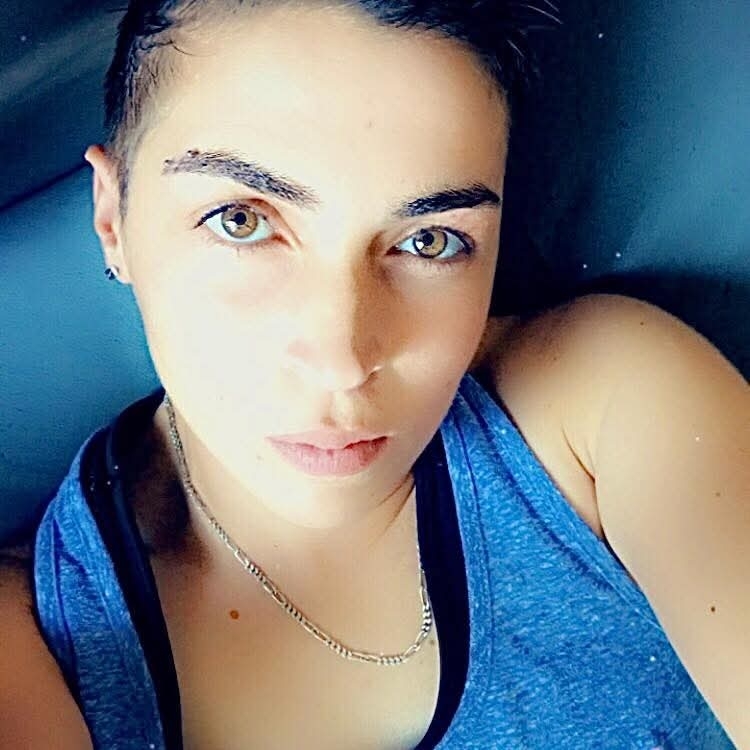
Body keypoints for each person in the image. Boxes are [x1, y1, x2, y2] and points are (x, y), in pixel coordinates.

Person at [1, 1, 748, 748]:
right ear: (112, 219)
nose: (344, 362)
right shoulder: (31, 644)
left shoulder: (602, 412)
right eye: (242, 222)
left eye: (430, 241)